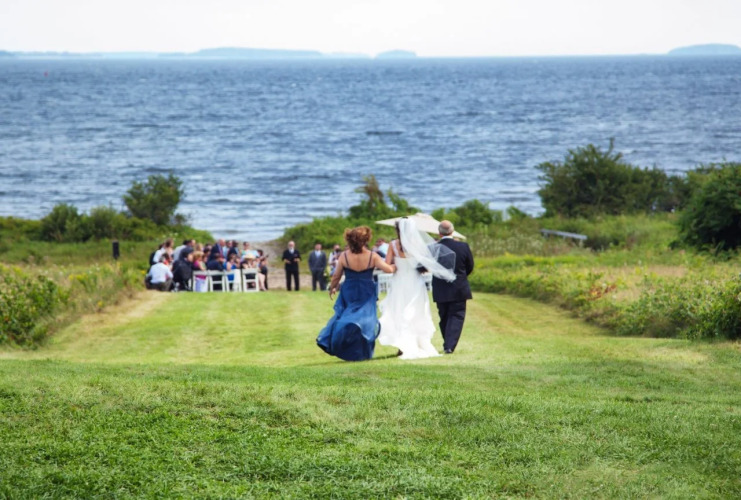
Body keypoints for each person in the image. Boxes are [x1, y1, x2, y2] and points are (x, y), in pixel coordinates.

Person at [378, 218, 456, 359]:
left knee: (399, 310)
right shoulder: (418, 244)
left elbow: (387, 265)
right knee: (416, 311)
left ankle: (403, 346)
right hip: (415, 282)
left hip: (399, 282)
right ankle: (415, 343)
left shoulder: (393, 245)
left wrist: (396, 266)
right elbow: (426, 265)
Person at [316, 226, 396, 361]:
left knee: (347, 315)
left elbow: (336, 276)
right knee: (367, 319)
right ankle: (363, 352)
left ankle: (348, 347)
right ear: (366, 240)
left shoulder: (344, 256)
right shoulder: (372, 256)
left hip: (350, 290)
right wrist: (395, 266)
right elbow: (388, 269)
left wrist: (333, 287)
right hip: (366, 290)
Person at [431, 220, 475, 354]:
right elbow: (470, 266)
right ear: (453, 231)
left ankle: (448, 344)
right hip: (459, 287)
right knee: (456, 316)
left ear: (439, 233)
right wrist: (460, 277)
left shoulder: (433, 248)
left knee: (444, 316)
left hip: (440, 288)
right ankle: (449, 345)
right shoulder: (463, 246)